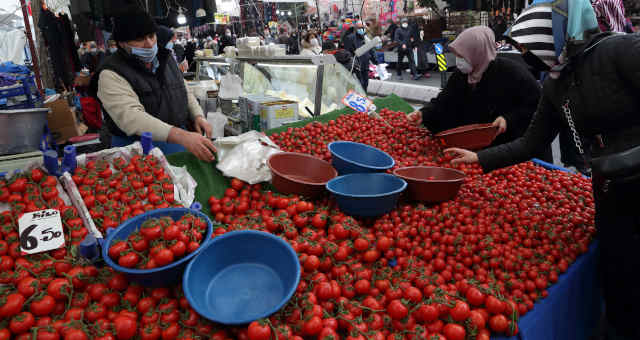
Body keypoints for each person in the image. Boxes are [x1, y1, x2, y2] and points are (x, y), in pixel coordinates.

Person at [445, 1, 640, 338]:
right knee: (618, 266)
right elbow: (532, 143)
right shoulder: (555, 82)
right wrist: (479, 159)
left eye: (525, 46)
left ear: (548, 37)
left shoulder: (619, 51)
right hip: (609, 183)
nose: (523, 54)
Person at [407, 26, 551, 161]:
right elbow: (443, 102)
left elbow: (537, 107)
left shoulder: (512, 73)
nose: (458, 61)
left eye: (462, 55)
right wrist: (424, 114)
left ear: (478, 52)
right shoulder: (461, 76)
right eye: (457, 55)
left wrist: (509, 119)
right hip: (476, 151)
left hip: (510, 153)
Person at [91, 7, 215, 161]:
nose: (149, 44)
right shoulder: (110, 74)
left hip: (178, 142)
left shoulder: (166, 58)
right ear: (122, 43)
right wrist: (181, 136)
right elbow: (131, 118)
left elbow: (182, 89)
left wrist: (198, 115)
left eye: (151, 36)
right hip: (139, 151)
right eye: (139, 39)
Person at [344, 21, 378, 91]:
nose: (361, 29)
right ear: (356, 28)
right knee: (359, 83)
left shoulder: (366, 38)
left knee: (365, 83)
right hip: (356, 65)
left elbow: (371, 50)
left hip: (365, 64)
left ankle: (364, 97)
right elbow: (347, 52)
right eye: (359, 28)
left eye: (363, 28)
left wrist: (376, 61)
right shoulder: (350, 38)